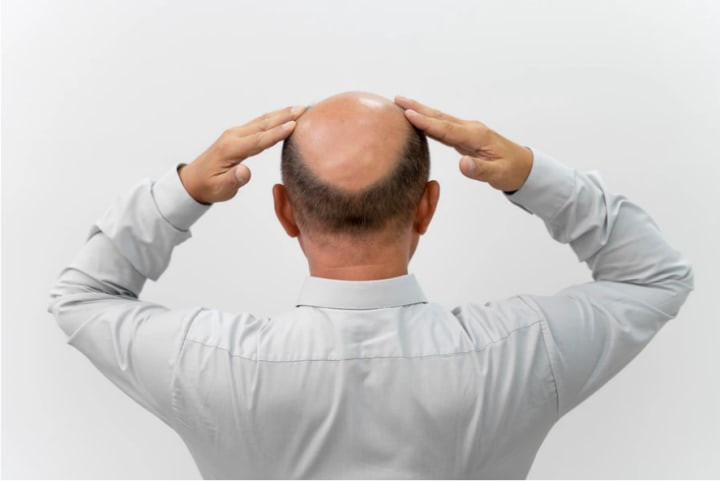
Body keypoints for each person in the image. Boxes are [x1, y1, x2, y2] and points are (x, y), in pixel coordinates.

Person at [48, 92, 694, 479]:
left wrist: (185, 189)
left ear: (284, 211)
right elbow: (655, 275)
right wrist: (527, 171)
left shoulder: (210, 362)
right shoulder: (520, 351)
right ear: (427, 207)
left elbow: (81, 297)